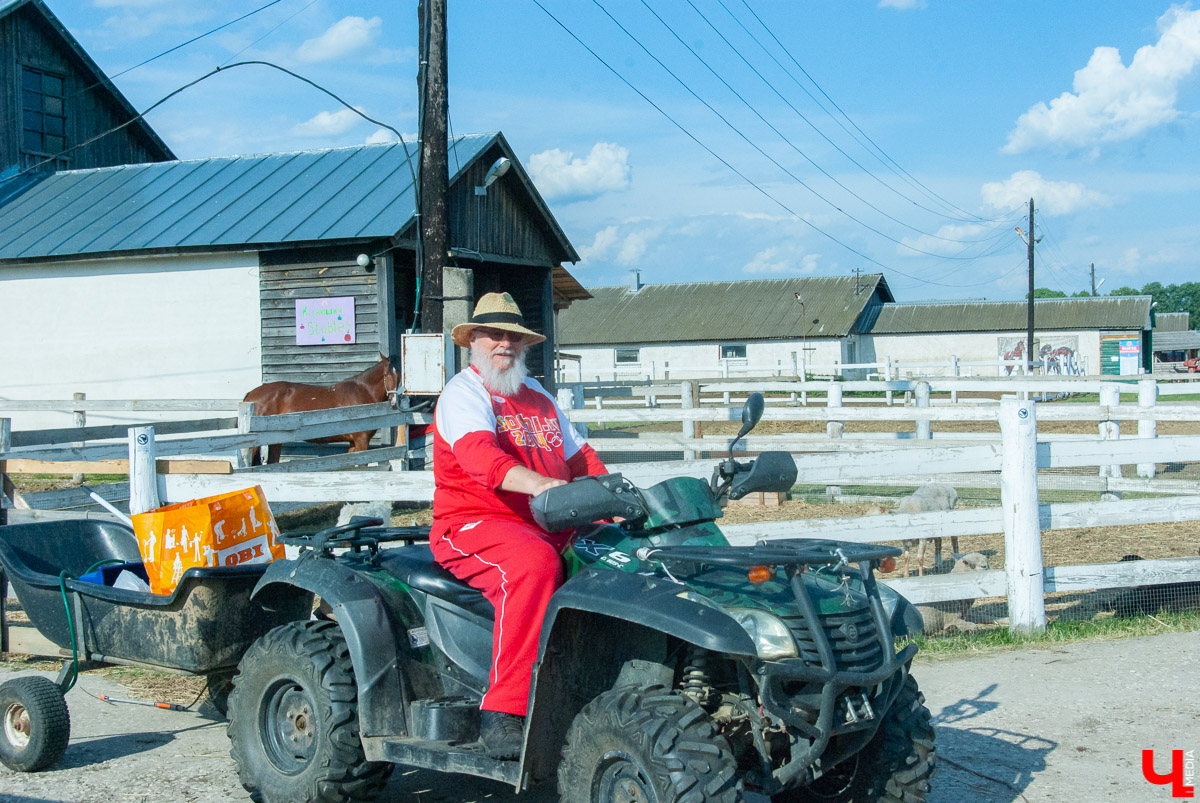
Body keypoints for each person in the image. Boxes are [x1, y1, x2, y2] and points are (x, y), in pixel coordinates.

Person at [430, 291, 607, 760]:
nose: (503, 343)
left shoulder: (540, 397)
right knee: (533, 565)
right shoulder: (463, 393)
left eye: (512, 335)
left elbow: (581, 458)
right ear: (473, 341)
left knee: (621, 553)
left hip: (547, 519)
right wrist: (544, 486)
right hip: (475, 523)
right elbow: (480, 459)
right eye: (492, 334)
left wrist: (613, 498)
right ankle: (504, 711)